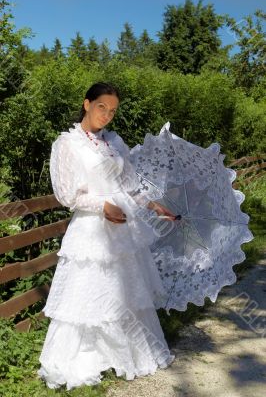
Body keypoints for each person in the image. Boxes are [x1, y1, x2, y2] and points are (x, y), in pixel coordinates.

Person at [37, 82, 176, 391]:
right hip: (90, 232)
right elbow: (67, 195)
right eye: (102, 107)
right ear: (87, 104)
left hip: (123, 229)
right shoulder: (67, 144)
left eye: (112, 111)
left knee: (124, 291)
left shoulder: (113, 142)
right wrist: (102, 206)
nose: (107, 116)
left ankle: (125, 352)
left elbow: (129, 187)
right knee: (88, 293)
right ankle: (88, 355)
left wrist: (154, 206)